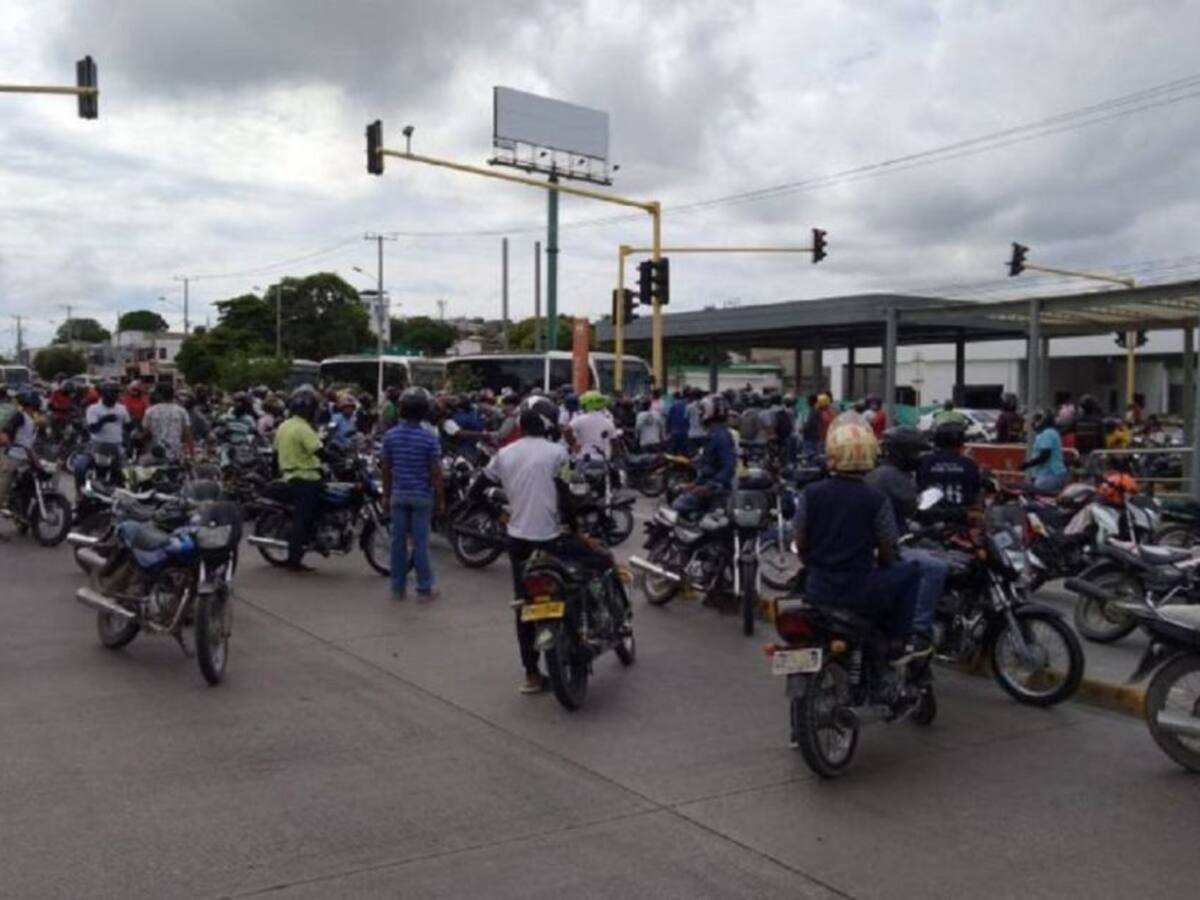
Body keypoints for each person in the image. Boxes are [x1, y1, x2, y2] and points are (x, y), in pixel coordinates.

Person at [488, 395, 613, 694]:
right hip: (554, 540)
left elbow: (478, 490)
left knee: (525, 606)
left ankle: (531, 675)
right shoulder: (557, 454)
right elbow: (569, 496)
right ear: (549, 422)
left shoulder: (504, 454)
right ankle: (590, 626)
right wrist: (578, 532)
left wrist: (502, 514)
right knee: (601, 562)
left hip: (518, 543)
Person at [794, 415, 930, 663]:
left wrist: (813, 564)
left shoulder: (810, 494)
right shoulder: (876, 498)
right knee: (912, 571)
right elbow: (888, 550)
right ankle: (900, 640)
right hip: (859, 590)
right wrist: (884, 562)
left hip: (818, 588)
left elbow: (801, 542)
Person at [866, 427, 946, 644]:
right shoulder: (892, 476)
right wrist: (954, 514)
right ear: (900, 452)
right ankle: (919, 628)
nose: (919, 457)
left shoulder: (887, 473)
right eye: (914, 452)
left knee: (939, 551)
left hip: (896, 537)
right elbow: (916, 508)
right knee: (936, 567)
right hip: (890, 544)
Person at [380, 388, 444, 601]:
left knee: (397, 543)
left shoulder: (390, 436)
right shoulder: (429, 438)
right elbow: (436, 472)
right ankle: (424, 588)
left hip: (398, 495)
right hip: (421, 496)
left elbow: (386, 469)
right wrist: (440, 498)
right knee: (420, 544)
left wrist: (386, 495)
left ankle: (397, 588)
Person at [274, 388, 325, 572]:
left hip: (289, 475)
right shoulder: (303, 428)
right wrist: (339, 458)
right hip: (305, 477)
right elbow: (320, 451)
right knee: (303, 518)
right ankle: (294, 560)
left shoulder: (284, 425)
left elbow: (275, 452)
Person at [74, 381, 130, 490]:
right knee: (82, 468)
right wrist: (104, 420)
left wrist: (133, 431)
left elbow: (128, 425)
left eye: (116, 393)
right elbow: (93, 429)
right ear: (104, 394)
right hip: (98, 446)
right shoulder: (93, 409)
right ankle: (81, 494)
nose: (115, 396)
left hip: (117, 446)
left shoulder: (122, 408)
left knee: (125, 474)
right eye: (112, 393)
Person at [917, 420, 982, 508]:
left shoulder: (925, 461)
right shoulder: (968, 463)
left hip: (931, 514)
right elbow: (975, 491)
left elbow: (919, 485)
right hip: (961, 514)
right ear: (961, 442)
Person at [0, 389, 42, 514]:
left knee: (28, 485)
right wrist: (9, 444)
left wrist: (36, 461)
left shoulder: (31, 420)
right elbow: (5, 433)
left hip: (24, 458)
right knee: (3, 487)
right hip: (13, 457)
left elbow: (28, 445)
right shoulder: (20, 415)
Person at [141, 382, 193, 461]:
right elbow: (187, 434)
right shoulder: (181, 411)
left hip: (155, 454)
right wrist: (192, 454)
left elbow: (146, 432)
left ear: (159, 395)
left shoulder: (150, 411)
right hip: (175, 454)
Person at [1023, 411, 1068, 493]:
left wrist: (1027, 464)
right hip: (1049, 474)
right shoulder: (1048, 433)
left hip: (1051, 474)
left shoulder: (1047, 434)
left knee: (1027, 490)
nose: (1033, 424)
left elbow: (1044, 456)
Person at [569, 390, 620, 462]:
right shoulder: (608, 421)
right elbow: (614, 441)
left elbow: (566, 429)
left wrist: (573, 444)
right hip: (602, 459)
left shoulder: (579, 419)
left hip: (583, 458)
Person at [1072, 395, 1105, 459]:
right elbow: (1102, 439)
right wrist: (1103, 451)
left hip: (1080, 453)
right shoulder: (1098, 421)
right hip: (1095, 454)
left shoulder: (1077, 421)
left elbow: (1065, 430)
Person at [666, 389, 690, 455]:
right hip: (686, 432)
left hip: (675, 432)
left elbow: (669, 419)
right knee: (685, 452)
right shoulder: (688, 405)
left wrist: (667, 430)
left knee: (674, 451)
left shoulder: (673, 405)